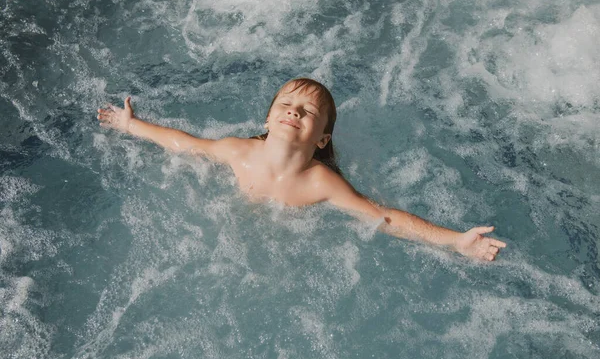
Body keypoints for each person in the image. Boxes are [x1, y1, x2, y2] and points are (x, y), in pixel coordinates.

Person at [97, 78, 507, 261]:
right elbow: (182, 143)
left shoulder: (320, 182)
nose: (294, 109)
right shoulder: (237, 151)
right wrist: (130, 124)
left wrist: (454, 241)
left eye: (309, 111)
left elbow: (381, 216)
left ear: (322, 139)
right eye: (285, 104)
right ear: (267, 120)